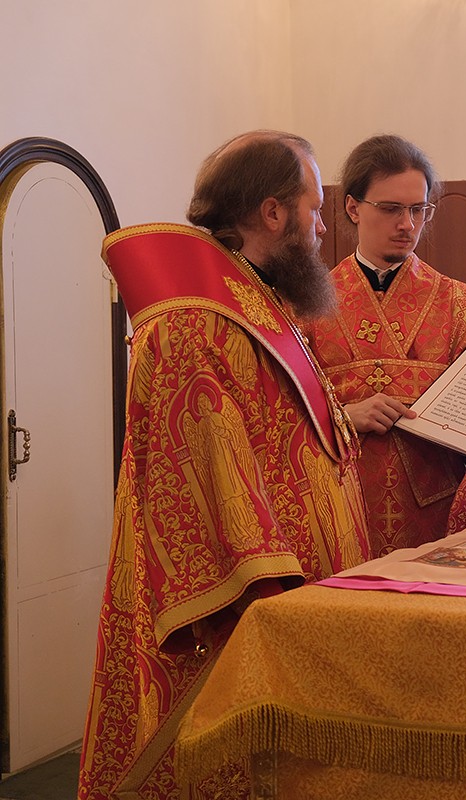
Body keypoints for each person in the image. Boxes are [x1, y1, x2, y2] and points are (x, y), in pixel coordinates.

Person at [79, 131, 371, 798]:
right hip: (241, 619)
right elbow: (199, 478)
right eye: (315, 208)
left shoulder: (259, 303)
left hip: (307, 601)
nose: (322, 226)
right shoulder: (190, 323)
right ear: (272, 213)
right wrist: (273, 600)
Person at [305, 134, 466, 554]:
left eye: (418, 209)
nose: (407, 224)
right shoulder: (305, 305)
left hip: (435, 515)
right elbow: (276, 416)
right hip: (340, 505)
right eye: (391, 209)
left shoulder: (462, 305)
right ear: (353, 208)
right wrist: (343, 417)